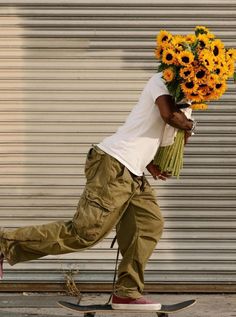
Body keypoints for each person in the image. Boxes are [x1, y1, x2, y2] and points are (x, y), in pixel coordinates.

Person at [0, 72, 194, 311]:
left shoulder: (187, 99)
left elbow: (166, 137)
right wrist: (189, 124)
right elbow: (169, 116)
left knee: (149, 224)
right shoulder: (160, 81)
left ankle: (127, 292)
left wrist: (153, 159)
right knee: (85, 233)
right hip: (113, 165)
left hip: (133, 171)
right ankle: (3, 241)